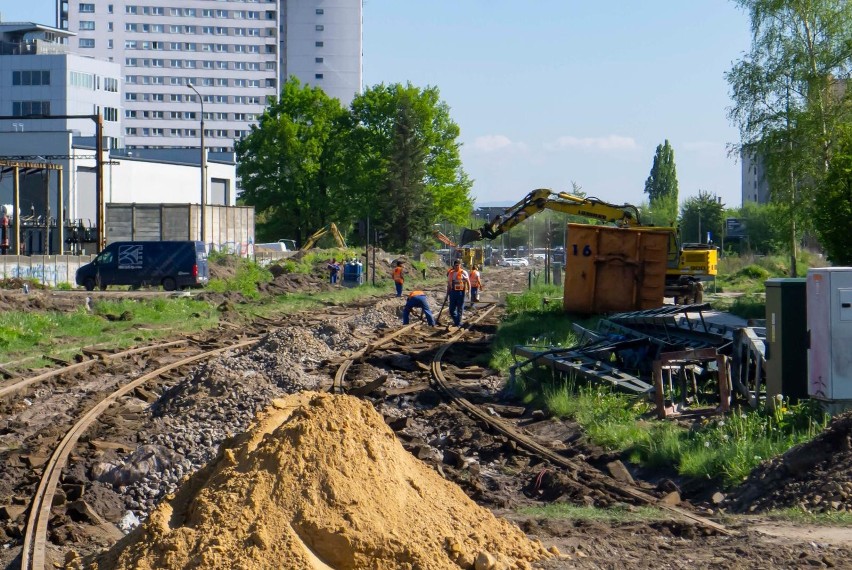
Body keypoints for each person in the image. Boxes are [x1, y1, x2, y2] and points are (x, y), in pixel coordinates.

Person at [446, 259, 470, 327]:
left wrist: (469, 292)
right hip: (452, 292)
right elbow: (449, 284)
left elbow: (468, 282)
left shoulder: (463, 272)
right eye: (455, 265)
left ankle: (458, 323)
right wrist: (447, 294)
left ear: (460, 265)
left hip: (461, 292)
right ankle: (457, 321)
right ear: (453, 266)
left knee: (460, 309)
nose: (456, 267)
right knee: (451, 310)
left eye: (457, 265)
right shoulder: (451, 273)